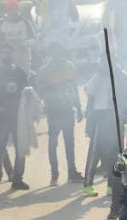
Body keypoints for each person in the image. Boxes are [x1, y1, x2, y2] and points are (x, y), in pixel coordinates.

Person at [83, 60, 127, 219]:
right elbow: (88, 90)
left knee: (116, 153)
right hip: (100, 116)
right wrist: (100, 74)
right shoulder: (97, 76)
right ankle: (88, 184)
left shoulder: (120, 75)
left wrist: (120, 71)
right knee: (96, 151)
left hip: (116, 116)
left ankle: (111, 186)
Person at [37, 43, 85, 186]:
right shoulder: (44, 70)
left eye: (59, 51)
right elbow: (41, 91)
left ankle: (71, 172)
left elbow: (74, 87)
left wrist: (79, 107)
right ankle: (55, 174)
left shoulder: (68, 66)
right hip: (54, 110)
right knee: (53, 143)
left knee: (69, 142)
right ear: (51, 53)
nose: (57, 54)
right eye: (54, 51)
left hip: (67, 109)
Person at [0, 44, 30, 190]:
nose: (7, 54)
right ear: (0, 54)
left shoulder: (20, 72)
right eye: (4, 51)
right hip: (0, 116)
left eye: (9, 51)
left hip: (18, 117)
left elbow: (27, 91)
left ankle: (17, 179)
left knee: (20, 148)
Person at [0, 0, 36, 75]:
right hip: (4, 61)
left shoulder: (25, 23)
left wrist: (23, 43)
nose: (13, 12)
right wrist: (1, 42)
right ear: (7, 11)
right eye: (10, 10)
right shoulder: (0, 23)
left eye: (14, 10)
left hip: (22, 60)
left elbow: (33, 41)